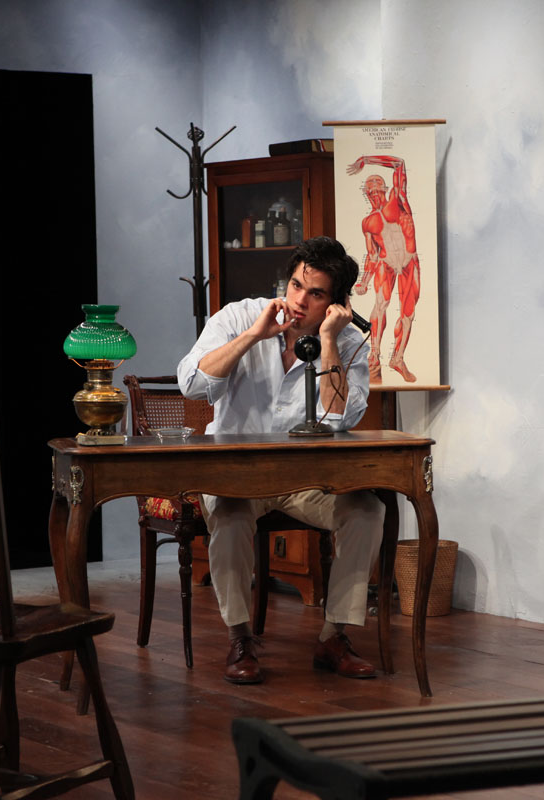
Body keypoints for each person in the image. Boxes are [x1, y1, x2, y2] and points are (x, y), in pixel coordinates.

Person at [177, 236, 385, 685]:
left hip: (305, 480)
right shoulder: (239, 316)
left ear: (336, 303)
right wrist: (254, 335)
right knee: (229, 516)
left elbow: (339, 420)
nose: (299, 300)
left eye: (316, 294)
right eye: (295, 285)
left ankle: (334, 637)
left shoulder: (349, 340)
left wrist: (328, 341)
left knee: (367, 510)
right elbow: (191, 385)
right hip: (235, 474)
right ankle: (240, 638)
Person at [346, 154, 421, 383]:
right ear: (366, 193)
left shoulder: (397, 200)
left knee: (408, 313)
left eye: (378, 182)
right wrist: (364, 281)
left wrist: (367, 159)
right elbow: (372, 254)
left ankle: (397, 358)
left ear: (386, 187)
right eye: (370, 185)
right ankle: (375, 354)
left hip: (409, 261)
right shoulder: (368, 222)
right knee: (380, 304)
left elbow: (399, 163)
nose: (375, 187)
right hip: (386, 264)